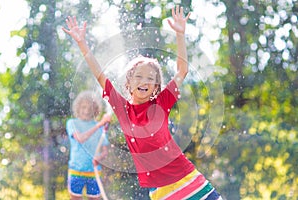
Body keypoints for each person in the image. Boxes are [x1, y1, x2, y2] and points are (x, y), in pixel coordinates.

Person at [63, 5, 222, 200]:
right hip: (160, 191)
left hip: (188, 180)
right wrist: (82, 44)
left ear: (156, 86)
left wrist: (180, 34)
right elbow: (100, 75)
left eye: (150, 78)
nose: (145, 81)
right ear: (128, 84)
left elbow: (182, 71)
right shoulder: (122, 109)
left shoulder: (161, 102)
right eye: (139, 76)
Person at [66, 90, 111, 200]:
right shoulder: (72, 123)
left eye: (90, 108)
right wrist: (100, 123)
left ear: (95, 110)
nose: (86, 111)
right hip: (76, 171)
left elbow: (105, 151)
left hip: (94, 172)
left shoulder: (100, 127)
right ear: (78, 107)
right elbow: (81, 139)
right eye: (83, 107)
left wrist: (99, 157)